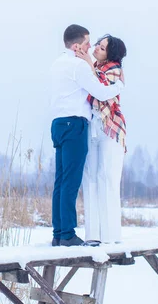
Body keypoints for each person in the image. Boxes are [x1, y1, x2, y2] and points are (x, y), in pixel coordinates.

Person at [50, 25, 125, 247]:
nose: (90, 47)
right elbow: (101, 92)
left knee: (61, 180)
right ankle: (67, 235)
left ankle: (58, 233)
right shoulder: (78, 66)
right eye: (87, 43)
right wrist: (119, 85)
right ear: (76, 46)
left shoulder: (57, 64)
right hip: (75, 125)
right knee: (71, 181)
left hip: (57, 124)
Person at [76, 34, 128, 244]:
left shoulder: (114, 70)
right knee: (90, 178)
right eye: (97, 44)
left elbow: (103, 90)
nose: (97, 48)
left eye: (102, 48)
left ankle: (111, 235)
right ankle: (93, 235)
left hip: (111, 127)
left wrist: (89, 63)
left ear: (111, 55)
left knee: (108, 178)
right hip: (93, 126)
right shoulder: (91, 66)